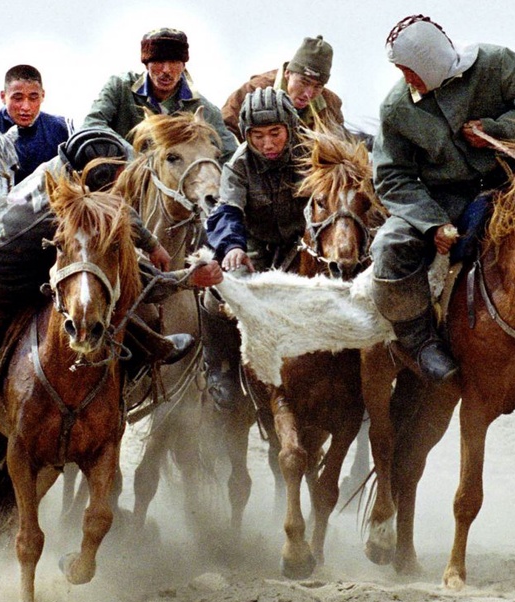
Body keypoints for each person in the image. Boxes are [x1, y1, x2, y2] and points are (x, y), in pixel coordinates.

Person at [0, 127, 222, 413]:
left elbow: (116, 208)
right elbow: (113, 262)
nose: (124, 179)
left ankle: (150, 345)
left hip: (27, 268)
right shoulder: (67, 209)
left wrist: (151, 243)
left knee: (93, 300)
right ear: (95, 178)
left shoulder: (64, 172)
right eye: (119, 173)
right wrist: (183, 279)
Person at [368, 14, 515, 383]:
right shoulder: (396, 109)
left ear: (431, 61)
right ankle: (423, 343)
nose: (406, 80)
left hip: (513, 187)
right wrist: (430, 223)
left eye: (410, 70)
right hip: (443, 199)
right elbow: (392, 176)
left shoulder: (498, 62)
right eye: (401, 71)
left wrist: (499, 129)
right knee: (389, 247)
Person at [202, 87, 307, 407]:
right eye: (257, 135)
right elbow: (228, 211)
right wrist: (233, 247)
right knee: (213, 296)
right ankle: (224, 370)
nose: (267, 143)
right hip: (255, 246)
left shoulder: (312, 153)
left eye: (275, 133)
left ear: (290, 127)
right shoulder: (239, 164)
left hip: (306, 243)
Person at [82, 27, 238, 161]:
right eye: (158, 62)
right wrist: (132, 157)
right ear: (146, 64)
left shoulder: (202, 108)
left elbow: (230, 154)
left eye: (174, 62)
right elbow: (92, 125)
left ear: (183, 65)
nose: (166, 70)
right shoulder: (120, 87)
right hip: (120, 181)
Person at [222, 35, 344, 142]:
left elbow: (340, 145)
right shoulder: (253, 91)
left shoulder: (331, 105)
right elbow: (225, 131)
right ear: (287, 73)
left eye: (318, 86)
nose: (308, 93)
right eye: (304, 82)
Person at [0, 64, 72, 184]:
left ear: (42, 96)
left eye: (33, 98)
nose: (26, 107)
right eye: (18, 98)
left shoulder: (62, 129)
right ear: (3, 97)